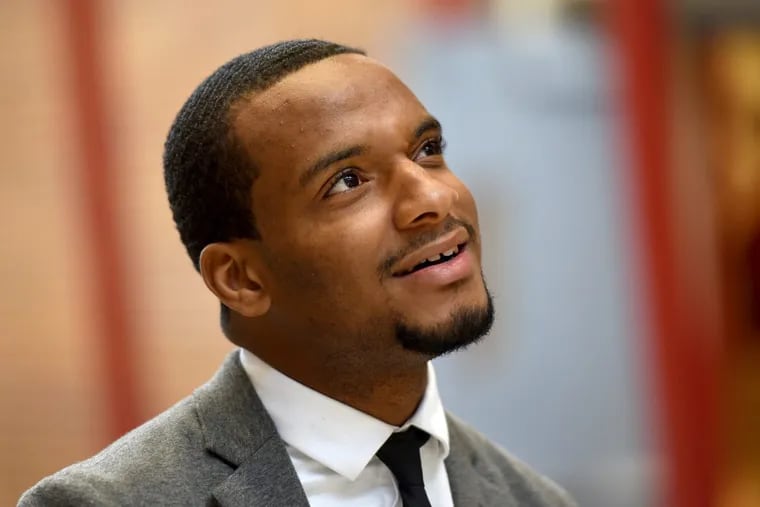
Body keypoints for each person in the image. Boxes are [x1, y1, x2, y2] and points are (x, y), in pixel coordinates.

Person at [19, 39, 575, 507]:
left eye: (427, 149)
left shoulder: (533, 499)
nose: (431, 197)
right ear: (241, 279)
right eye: (347, 181)